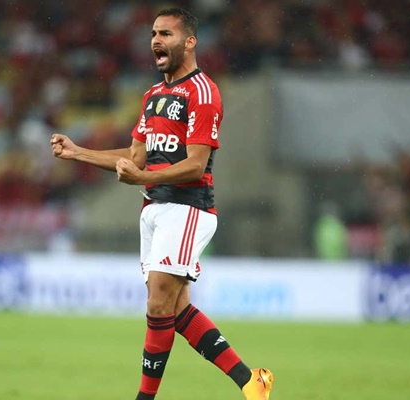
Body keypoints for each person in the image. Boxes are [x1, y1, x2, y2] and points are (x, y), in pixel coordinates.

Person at [50, 8, 273, 400]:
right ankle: (251, 381)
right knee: (175, 308)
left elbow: (195, 164)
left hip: (187, 209)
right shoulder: (153, 96)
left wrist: (144, 178)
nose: (156, 40)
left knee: (157, 304)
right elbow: (136, 157)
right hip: (154, 209)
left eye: (166, 33)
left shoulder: (203, 92)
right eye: (153, 33)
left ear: (189, 42)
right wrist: (78, 153)